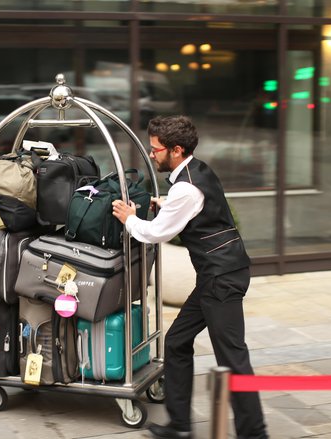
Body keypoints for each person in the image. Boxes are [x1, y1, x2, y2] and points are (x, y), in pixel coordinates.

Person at [112, 115, 268, 439]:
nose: (151, 154)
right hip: (220, 274)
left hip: (220, 278)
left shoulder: (185, 188)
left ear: (177, 150)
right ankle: (180, 426)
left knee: (233, 358)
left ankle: (255, 433)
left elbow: (154, 233)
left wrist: (129, 219)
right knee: (177, 341)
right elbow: (195, 206)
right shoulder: (198, 171)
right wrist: (164, 203)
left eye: (156, 150)